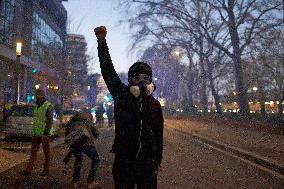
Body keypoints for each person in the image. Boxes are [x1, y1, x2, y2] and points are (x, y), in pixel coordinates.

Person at [94, 26, 164, 189]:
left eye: (146, 77)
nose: (141, 81)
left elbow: (159, 135)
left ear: (150, 82)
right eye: (137, 77)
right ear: (131, 80)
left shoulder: (154, 105)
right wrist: (102, 43)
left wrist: (157, 161)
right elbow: (108, 71)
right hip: (124, 164)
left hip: (148, 165)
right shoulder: (122, 95)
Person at [19, 89, 53, 177]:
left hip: (44, 134)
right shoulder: (36, 105)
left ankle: (46, 170)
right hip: (36, 134)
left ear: (41, 96)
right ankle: (28, 170)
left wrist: (46, 133)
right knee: (33, 153)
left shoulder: (47, 106)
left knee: (46, 153)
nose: (36, 97)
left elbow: (50, 121)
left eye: (37, 96)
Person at [64, 111, 101, 189]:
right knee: (96, 160)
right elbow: (96, 133)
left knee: (78, 159)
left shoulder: (70, 122)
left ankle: (75, 182)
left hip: (74, 144)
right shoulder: (87, 121)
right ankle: (90, 182)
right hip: (86, 143)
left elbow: (66, 135)